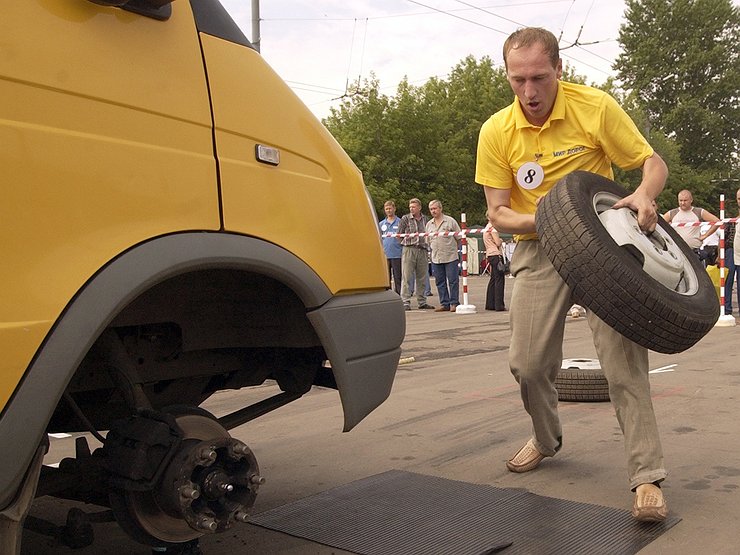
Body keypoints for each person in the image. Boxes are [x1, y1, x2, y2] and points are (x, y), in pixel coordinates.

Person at [475, 27, 670, 522]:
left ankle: (646, 478)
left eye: (539, 77)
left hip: (603, 248)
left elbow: (651, 163)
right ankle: (545, 437)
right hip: (539, 250)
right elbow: (498, 212)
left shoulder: (594, 107)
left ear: (559, 69)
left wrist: (645, 193)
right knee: (528, 364)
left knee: (624, 364)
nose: (530, 92)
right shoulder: (496, 131)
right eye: (517, 80)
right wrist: (549, 219)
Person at [663, 190, 721, 264]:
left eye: (685, 200)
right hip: (677, 251)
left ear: (691, 200)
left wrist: (705, 235)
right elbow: (659, 224)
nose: (683, 203)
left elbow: (717, 221)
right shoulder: (672, 213)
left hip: (694, 251)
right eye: (680, 200)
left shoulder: (699, 212)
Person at [397, 198, 435, 311]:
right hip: (409, 249)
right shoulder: (405, 218)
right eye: (410, 207)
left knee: (422, 276)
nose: (411, 209)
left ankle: (422, 301)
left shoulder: (426, 219)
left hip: (422, 249)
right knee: (407, 276)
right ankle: (405, 301)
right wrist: (404, 244)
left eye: (413, 207)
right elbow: (399, 234)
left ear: (419, 207)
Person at [426, 200, 461, 312]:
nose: (433, 211)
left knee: (453, 280)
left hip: (450, 256)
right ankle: (444, 303)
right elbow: (427, 240)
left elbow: (459, 237)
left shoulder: (450, 221)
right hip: (436, 257)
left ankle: (454, 303)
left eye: (435, 208)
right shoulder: (429, 224)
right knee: (439, 281)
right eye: (431, 209)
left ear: (440, 209)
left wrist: (456, 250)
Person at [379, 200, 403, 294]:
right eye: (386, 209)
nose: (388, 210)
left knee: (398, 277)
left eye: (390, 208)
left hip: (397, 254)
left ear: (394, 209)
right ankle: (388, 295)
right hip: (385, 254)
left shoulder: (400, 222)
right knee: (386, 277)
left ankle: (399, 294)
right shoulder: (381, 224)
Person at [483, 222, 506, 311]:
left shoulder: (486, 228)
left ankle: (490, 304)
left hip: (490, 254)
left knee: (493, 279)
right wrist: (500, 240)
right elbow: (497, 243)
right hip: (496, 254)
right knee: (499, 280)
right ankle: (499, 305)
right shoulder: (493, 228)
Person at [727, 189, 740, 314]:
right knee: (728, 281)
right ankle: (726, 309)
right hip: (731, 252)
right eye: (739, 199)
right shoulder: (734, 217)